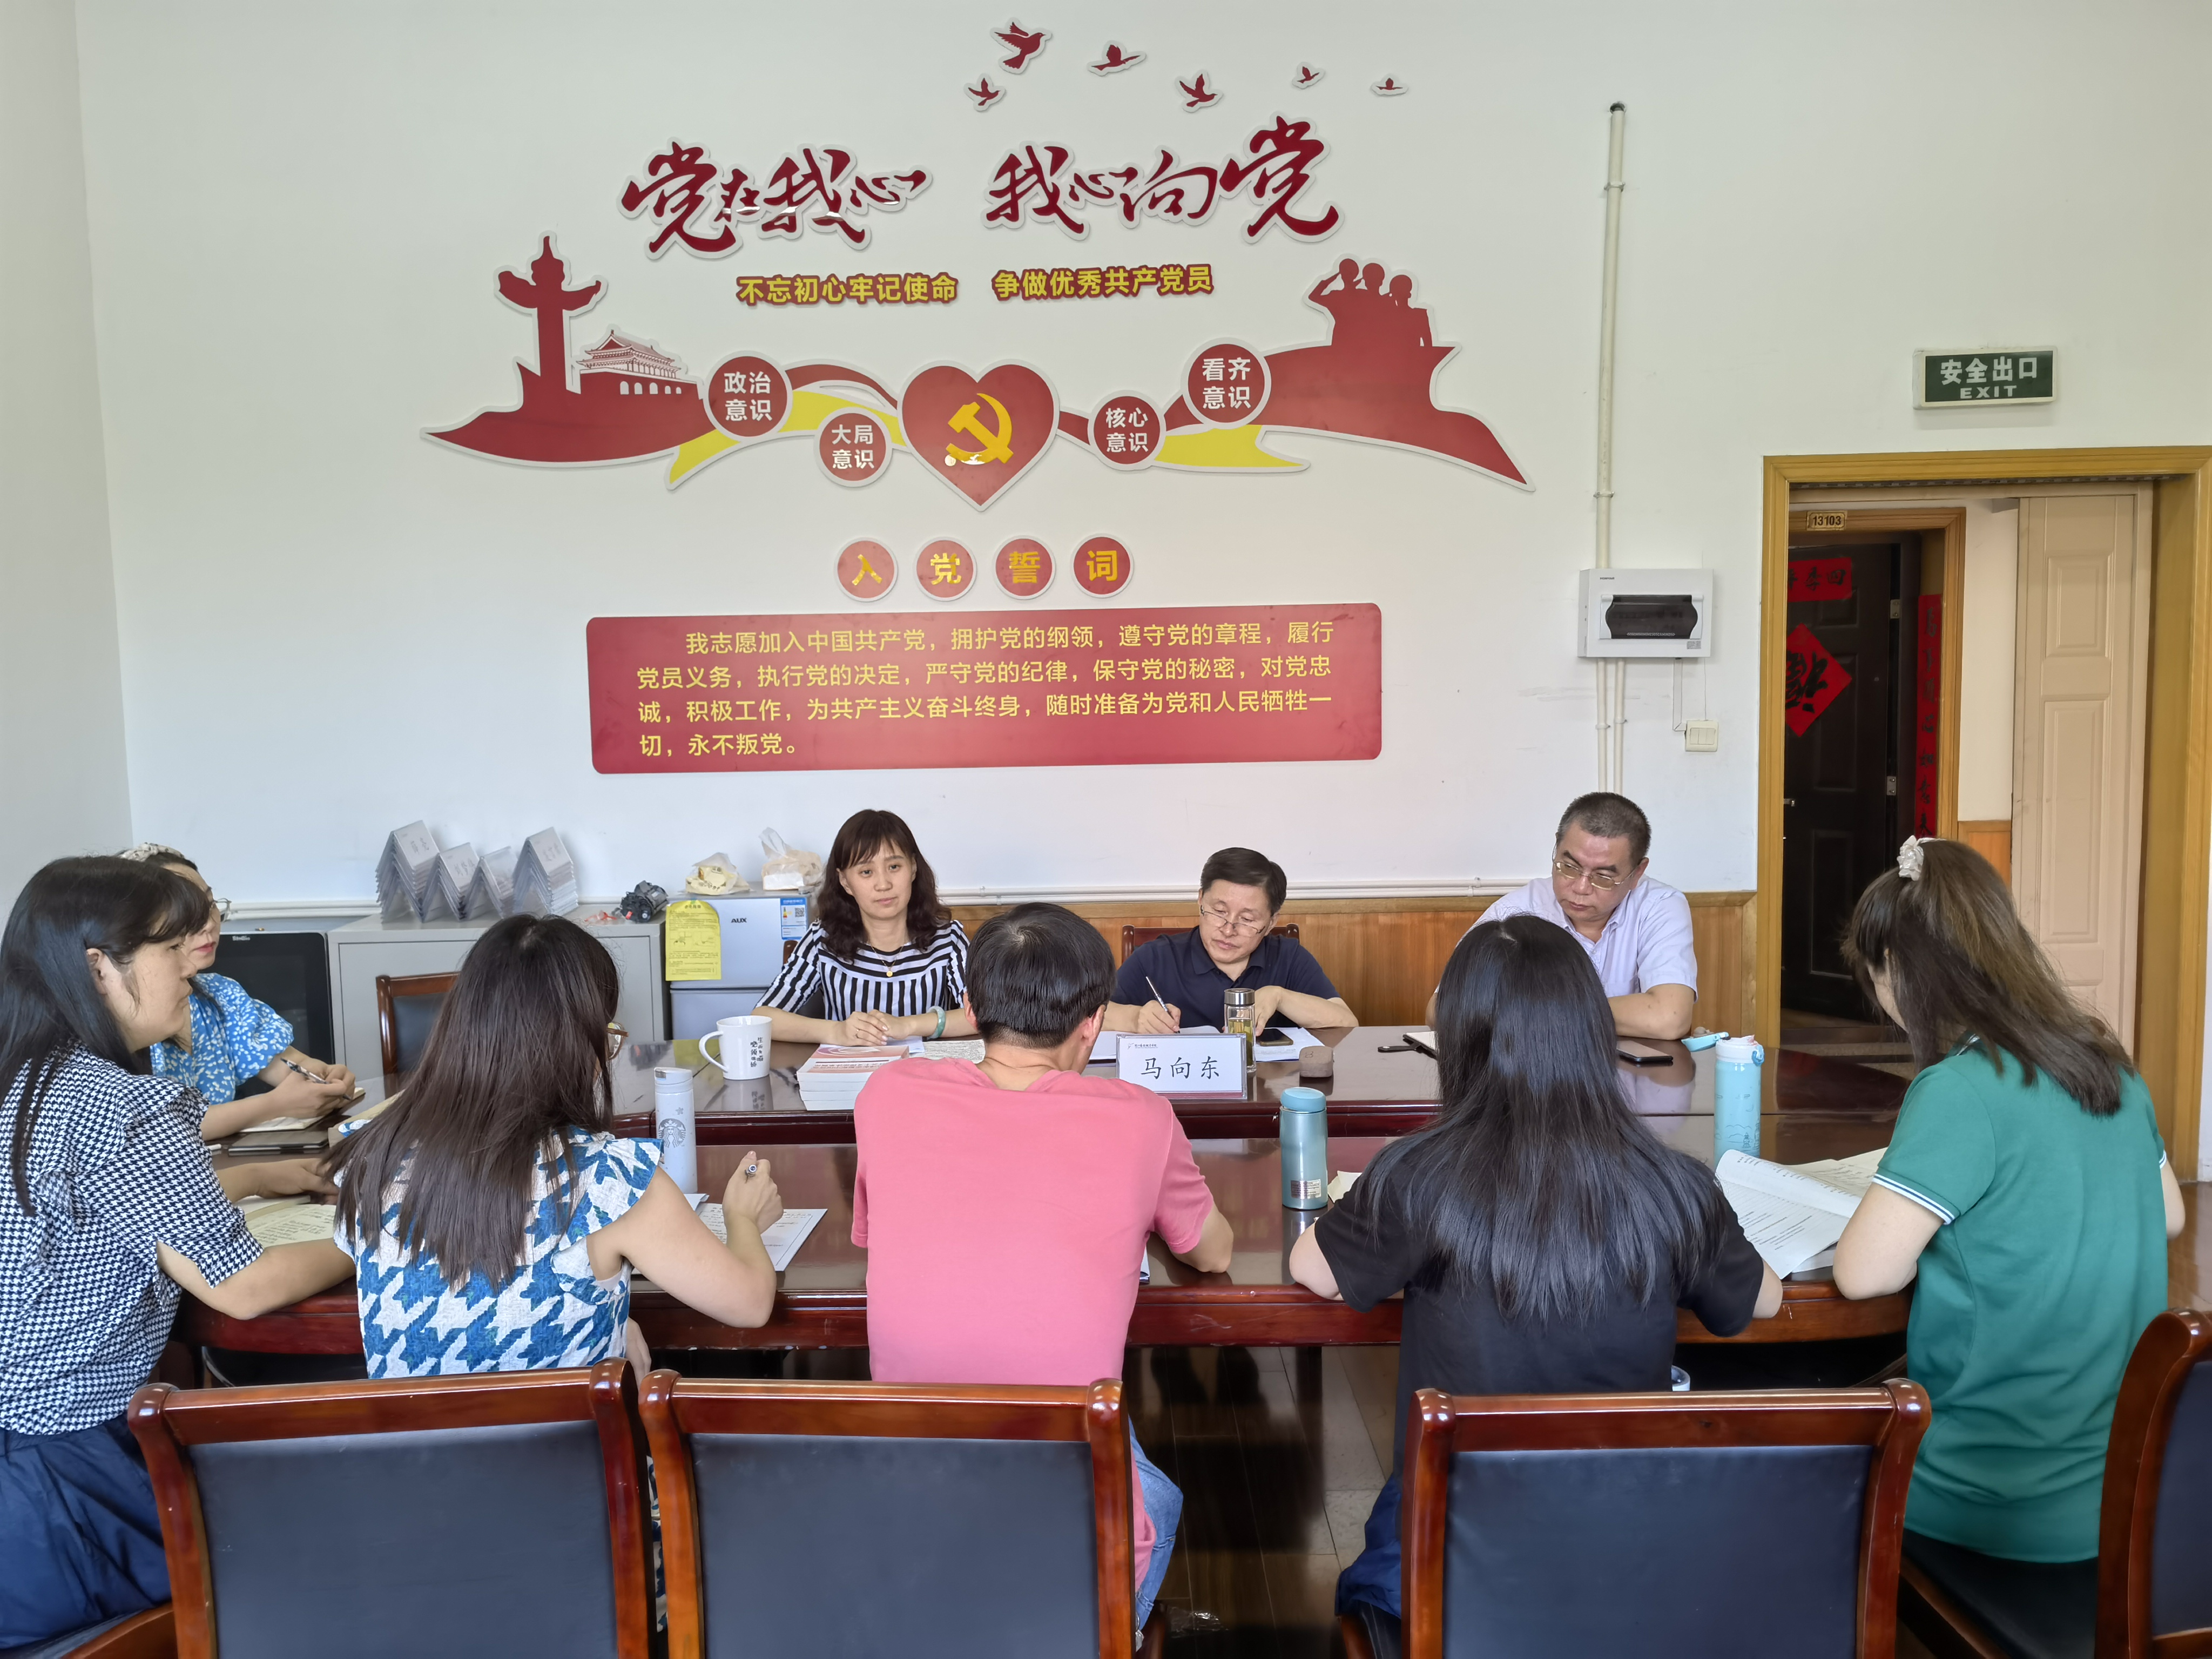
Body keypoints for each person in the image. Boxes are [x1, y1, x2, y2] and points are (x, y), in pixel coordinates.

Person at [1292, 913, 1781, 1631]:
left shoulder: (1419, 1173)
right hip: (1629, 1547)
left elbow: (1314, 1268)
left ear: (1460, 1039)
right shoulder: (1675, 1184)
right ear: (1592, 1032)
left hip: (1455, 1549)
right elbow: (1761, 1300)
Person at [850, 903, 1235, 1631]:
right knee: (1156, 1495)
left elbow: (882, 1234)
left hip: (906, 1495)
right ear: (1094, 1023)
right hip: (1070, 1529)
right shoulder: (1142, 1116)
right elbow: (1211, 1252)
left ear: (970, 1010)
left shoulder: (886, 1094)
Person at [0, 858, 349, 1648]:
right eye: (168, 948)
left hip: (24, 1483)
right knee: (322, 1537)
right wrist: (376, 1235)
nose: (192, 966)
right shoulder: (119, 1104)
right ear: (100, 967)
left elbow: (97, 1210)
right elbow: (247, 1288)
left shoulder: (23, 1080)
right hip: (66, 1489)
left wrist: (253, 1177)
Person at [1833, 837, 2183, 1569]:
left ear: (1895, 967)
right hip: (2123, 1493)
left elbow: (1862, 1276)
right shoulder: (2106, 1065)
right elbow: (2171, 1215)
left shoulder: (1960, 1089)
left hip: (1984, 1498)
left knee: (1806, 1458)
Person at [328, 914, 783, 1375]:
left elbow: (465, 1307)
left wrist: (608, 1320)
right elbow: (749, 1304)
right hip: (584, 1428)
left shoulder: (371, 1159)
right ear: (576, 1047)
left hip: (404, 1426)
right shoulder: (607, 1180)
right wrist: (742, 1219)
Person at [118, 845, 359, 1140]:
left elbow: (288, 1065)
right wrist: (275, 1105)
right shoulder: (123, 1021)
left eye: (210, 905)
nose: (208, 924)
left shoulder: (220, 994)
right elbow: (157, 1130)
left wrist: (325, 1080)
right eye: (186, 914)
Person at [1456, 792, 1697, 1039]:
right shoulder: (1516, 910)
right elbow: (1446, 1008)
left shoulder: (1658, 906)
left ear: (1637, 873)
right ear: (1557, 847)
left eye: (1603, 877)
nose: (1581, 888)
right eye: (1570, 867)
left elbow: (1670, 1017)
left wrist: (1536, 1012)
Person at [756, 810, 975, 1046]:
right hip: (847, 1070)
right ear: (845, 882)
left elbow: (987, 1013)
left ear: (913, 868)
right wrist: (837, 1031)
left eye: (894, 867)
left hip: (925, 1069)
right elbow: (763, 1017)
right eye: (866, 872)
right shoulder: (822, 940)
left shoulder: (947, 938)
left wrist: (909, 1025)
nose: (883, 884)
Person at [1109, 847, 1353, 1035]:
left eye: (1247, 919)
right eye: (1219, 912)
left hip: (1267, 1086)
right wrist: (1136, 1018)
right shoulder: (1156, 957)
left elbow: (1347, 1021)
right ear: (1201, 900)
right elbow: (1093, 1015)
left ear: (1271, 922)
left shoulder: (1288, 958)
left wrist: (1280, 996)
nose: (1228, 930)